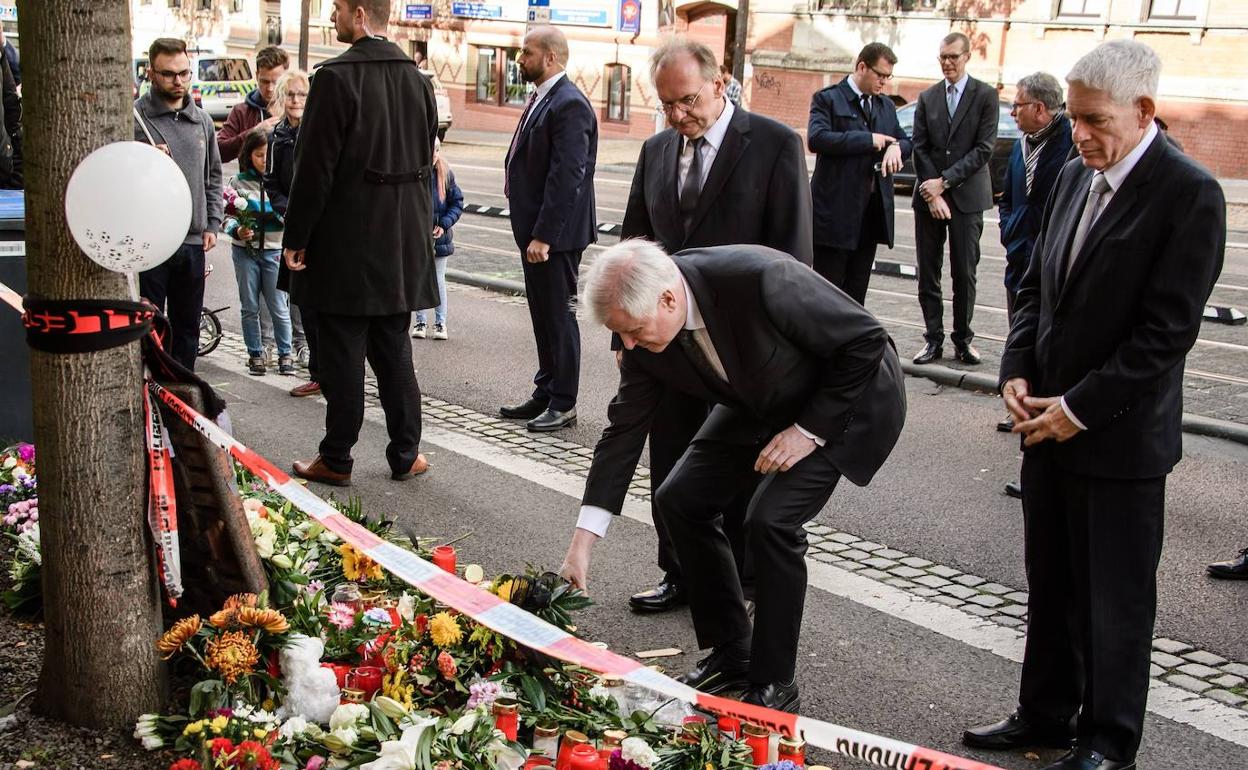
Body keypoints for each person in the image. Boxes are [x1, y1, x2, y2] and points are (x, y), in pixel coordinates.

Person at [965, 41, 1225, 770]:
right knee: (1050, 586)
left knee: (1114, 605)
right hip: (1043, 425)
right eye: (1074, 118)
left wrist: (1077, 408)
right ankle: (1043, 715)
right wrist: (1016, 369)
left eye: (1093, 120)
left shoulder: (1189, 193)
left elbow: (1164, 334)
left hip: (1117, 441)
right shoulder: (1078, 174)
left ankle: (1108, 741)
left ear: (1144, 112)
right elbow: (1036, 287)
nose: (1078, 134)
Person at [560, 239, 905, 712]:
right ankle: (733, 652)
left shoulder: (760, 278)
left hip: (845, 401)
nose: (630, 346)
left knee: (771, 521)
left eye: (635, 331)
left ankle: (774, 681)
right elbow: (622, 432)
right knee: (679, 498)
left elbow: (866, 340)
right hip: (760, 398)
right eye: (622, 335)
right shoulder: (642, 337)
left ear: (667, 299)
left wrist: (808, 431)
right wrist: (582, 544)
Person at [619, 37, 813, 614]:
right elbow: (633, 248)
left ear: (721, 81)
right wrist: (625, 337)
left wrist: (788, 352)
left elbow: (794, 261)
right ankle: (680, 571)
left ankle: (745, 579)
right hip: (668, 346)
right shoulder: (656, 151)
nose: (679, 115)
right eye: (667, 105)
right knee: (672, 459)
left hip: (745, 349)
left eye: (687, 101)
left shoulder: (775, 145)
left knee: (742, 461)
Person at [281, 0, 439, 486]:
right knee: (394, 350)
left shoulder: (335, 77)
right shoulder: (420, 80)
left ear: (360, 14)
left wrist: (297, 237)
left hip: (348, 240)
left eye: (337, 10)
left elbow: (314, 169)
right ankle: (406, 453)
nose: (331, 18)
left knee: (343, 354)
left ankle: (337, 457)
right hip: (401, 241)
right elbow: (427, 152)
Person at [500, 26, 598, 433]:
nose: (520, 59)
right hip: (537, 233)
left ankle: (564, 401)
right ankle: (546, 388)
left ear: (551, 58)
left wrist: (545, 235)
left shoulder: (570, 103)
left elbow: (567, 176)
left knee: (559, 316)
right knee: (542, 314)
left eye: (527, 52)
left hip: (554, 237)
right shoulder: (544, 97)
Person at [996, 72, 1072, 498]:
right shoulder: (1021, 144)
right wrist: (1010, 229)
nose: (1012, 112)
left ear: (1040, 108)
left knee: (1050, 358)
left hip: (1055, 267)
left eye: (1018, 105)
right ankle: (1029, 453)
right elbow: (1008, 196)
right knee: (1021, 345)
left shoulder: (1071, 144)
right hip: (1019, 261)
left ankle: (1041, 458)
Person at [134, 37, 223, 372]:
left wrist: (212, 221)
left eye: (184, 73)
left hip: (191, 242)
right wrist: (142, 158)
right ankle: (150, 390)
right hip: (151, 243)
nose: (179, 81)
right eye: (169, 74)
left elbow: (214, 175)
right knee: (151, 326)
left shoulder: (201, 120)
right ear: (152, 73)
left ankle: (184, 394)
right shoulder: (136, 118)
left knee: (187, 328)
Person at [911, 32, 998, 367]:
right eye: (943, 57)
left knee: (964, 272)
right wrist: (932, 192)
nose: (947, 63)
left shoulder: (985, 96)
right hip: (929, 199)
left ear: (967, 57)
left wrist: (944, 183)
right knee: (928, 272)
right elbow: (919, 146)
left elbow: (984, 149)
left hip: (966, 197)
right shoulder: (928, 97)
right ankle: (932, 339)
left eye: (953, 57)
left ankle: (963, 340)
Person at [807, 42, 911, 305]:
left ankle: (849, 346)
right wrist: (867, 140)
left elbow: (905, 139)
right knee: (826, 293)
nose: (884, 82)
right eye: (880, 75)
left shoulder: (885, 105)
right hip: (834, 215)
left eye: (888, 77)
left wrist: (897, 148)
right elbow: (817, 139)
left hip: (870, 215)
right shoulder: (828, 98)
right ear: (862, 67)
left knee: (856, 294)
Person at [265, 68, 321, 398]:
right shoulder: (278, 137)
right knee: (302, 302)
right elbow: (272, 184)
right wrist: (289, 212)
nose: (296, 100)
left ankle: (329, 372)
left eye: (302, 94)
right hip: (293, 227)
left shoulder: (317, 131)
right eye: (291, 94)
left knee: (322, 306)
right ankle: (317, 372)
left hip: (321, 230)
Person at [225, 128, 293, 377]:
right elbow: (226, 216)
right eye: (259, 155)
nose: (264, 160)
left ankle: (285, 353)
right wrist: (237, 230)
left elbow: (290, 216)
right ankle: (256, 353)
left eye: (268, 155)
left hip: (274, 251)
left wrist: (278, 214)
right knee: (249, 306)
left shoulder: (281, 183)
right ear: (249, 155)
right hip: (245, 252)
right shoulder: (238, 182)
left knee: (278, 305)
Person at [412, 139, 463, 342]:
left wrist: (444, 223)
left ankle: (440, 322)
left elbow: (457, 203)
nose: (433, 155)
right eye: (430, 151)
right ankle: (421, 321)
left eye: (436, 151)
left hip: (439, 237)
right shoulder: (415, 173)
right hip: (418, 237)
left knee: (439, 279)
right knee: (419, 279)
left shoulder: (445, 173)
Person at [217, 45, 289, 164]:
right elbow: (219, 152)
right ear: (257, 75)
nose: (270, 88)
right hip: (251, 182)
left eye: (276, 82)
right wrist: (253, 133)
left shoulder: (296, 109)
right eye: (264, 81)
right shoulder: (241, 112)